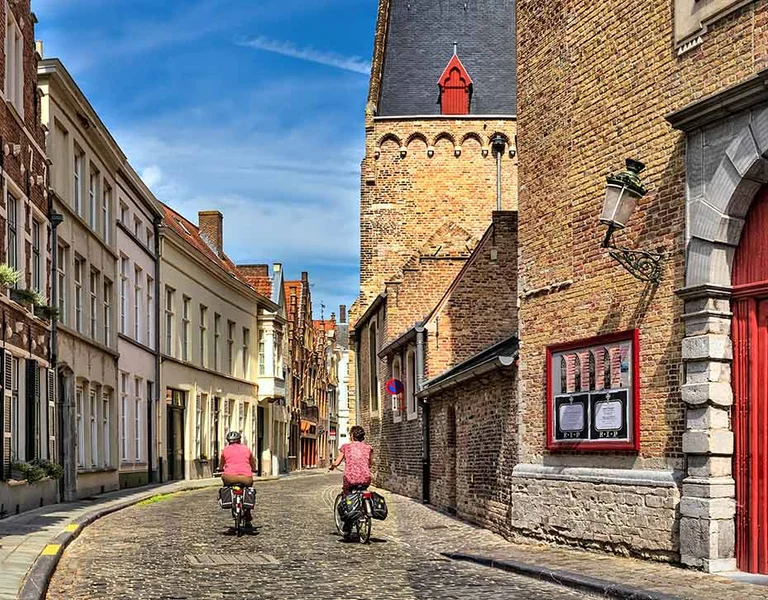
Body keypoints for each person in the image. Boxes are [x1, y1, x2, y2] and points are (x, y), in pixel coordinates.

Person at [219, 431, 257, 526]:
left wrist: (220, 468)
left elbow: (221, 464)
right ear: (239, 440)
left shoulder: (225, 450)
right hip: (246, 478)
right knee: (248, 489)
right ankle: (247, 514)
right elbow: (252, 462)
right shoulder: (246, 449)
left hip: (229, 478)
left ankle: (226, 498)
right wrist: (254, 469)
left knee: (226, 482)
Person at [329, 425, 373, 496]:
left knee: (346, 494)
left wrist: (331, 466)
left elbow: (336, 463)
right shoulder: (368, 448)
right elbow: (370, 464)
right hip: (366, 479)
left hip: (350, 479)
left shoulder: (346, 447)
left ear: (352, 436)